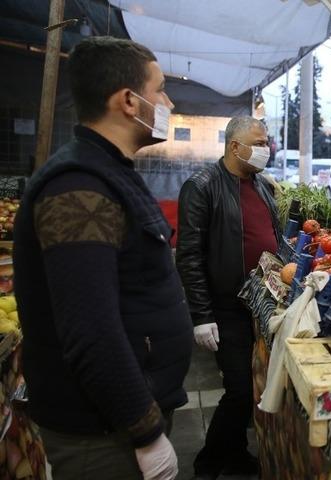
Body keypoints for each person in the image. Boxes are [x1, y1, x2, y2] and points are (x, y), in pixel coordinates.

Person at [13, 37, 189, 479]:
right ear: (129, 101)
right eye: (160, 89)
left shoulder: (110, 172)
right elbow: (90, 329)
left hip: (119, 423)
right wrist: (146, 431)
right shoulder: (78, 186)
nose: (167, 101)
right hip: (103, 437)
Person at [176, 116, 283, 478]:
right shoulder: (202, 186)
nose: (266, 149)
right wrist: (201, 314)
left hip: (260, 303)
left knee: (250, 386)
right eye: (259, 143)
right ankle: (207, 461)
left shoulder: (262, 185)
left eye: (267, 142)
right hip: (226, 305)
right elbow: (189, 254)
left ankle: (235, 454)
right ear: (235, 146)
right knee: (238, 390)